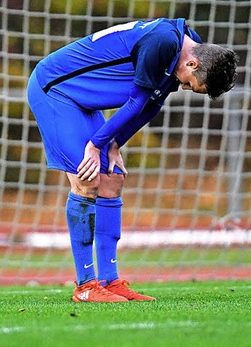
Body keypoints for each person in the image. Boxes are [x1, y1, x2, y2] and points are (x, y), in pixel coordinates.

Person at [27, 18, 238, 302]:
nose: (186, 88)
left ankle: (110, 281)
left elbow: (153, 104)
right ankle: (86, 286)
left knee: (113, 179)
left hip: (84, 100)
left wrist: (115, 144)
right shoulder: (162, 42)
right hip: (56, 91)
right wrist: (95, 145)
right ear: (193, 65)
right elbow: (137, 102)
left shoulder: (189, 44)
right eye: (191, 85)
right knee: (86, 180)